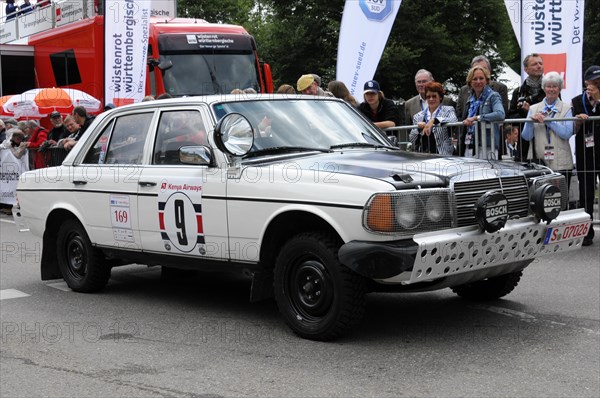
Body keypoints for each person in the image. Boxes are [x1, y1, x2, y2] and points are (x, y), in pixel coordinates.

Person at [521, 72, 573, 188]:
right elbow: (526, 136)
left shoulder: (567, 108)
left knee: (561, 196)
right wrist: (531, 122)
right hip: (540, 161)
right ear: (544, 88)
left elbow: (566, 133)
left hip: (562, 161)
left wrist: (548, 121)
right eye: (548, 86)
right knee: (540, 197)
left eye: (555, 86)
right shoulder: (534, 108)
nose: (551, 89)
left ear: (559, 88)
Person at [572, 65, 600, 246]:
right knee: (586, 192)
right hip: (586, 153)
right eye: (594, 82)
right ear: (586, 83)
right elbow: (572, 128)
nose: (596, 85)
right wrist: (578, 122)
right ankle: (587, 232)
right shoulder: (577, 101)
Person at [459, 65, 505, 158]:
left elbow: (500, 114)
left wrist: (478, 118)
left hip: (488, 145)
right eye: (475, 79)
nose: (478, 82)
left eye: (481, 78)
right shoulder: (470, 99)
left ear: (487, 80)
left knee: (487, 172)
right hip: (470, 144)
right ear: (470, 82)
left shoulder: (493, 96)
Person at [409, 81, 458, 155]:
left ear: (440, 97)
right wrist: (418, 129)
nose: (431, 99)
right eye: (428, 97)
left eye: (434, 96)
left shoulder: (448, 109)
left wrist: (434, 120)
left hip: (444, 154)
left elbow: (454, 120)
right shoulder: (418, 116)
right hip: (424, 155)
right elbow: (412, 139)